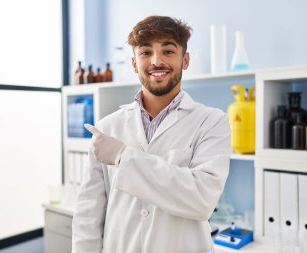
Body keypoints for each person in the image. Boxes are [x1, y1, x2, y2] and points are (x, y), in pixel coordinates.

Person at [72, 15, 231, 253]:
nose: (157, 61)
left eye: (168, 51)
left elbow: (201, 200)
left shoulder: (212, 122)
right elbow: (89, 215)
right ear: (135, 63)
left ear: (185, 60)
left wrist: (123, 158)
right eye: (146, 52)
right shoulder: (107, 127)